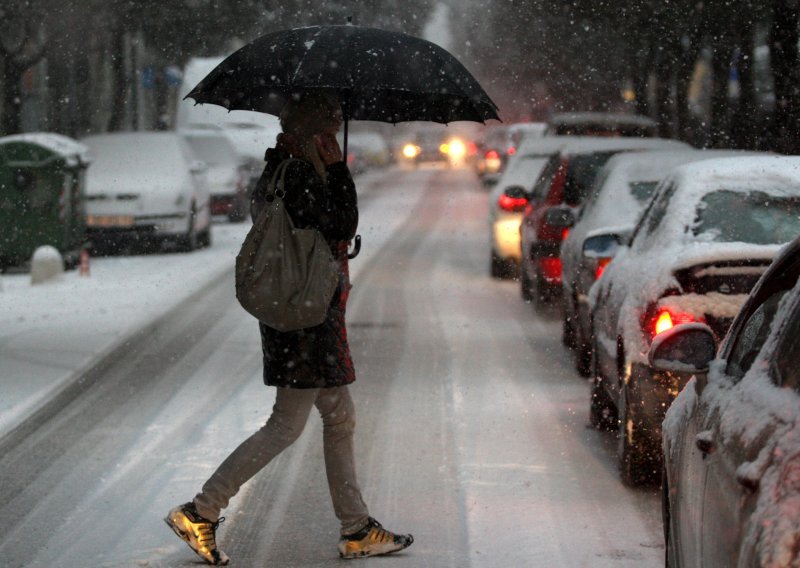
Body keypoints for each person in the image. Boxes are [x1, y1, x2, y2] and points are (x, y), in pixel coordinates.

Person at [164, 93, 413, 566]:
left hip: (297, 311)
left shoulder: (280, 168)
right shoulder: (299, 174)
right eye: (332, 120)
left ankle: (357, 526)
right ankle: (201, 510)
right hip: (305, 319)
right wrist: (339, 170)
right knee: (285, 424)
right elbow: (342, 223)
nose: (338, 127)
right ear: (315, 130)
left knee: (339, 415)